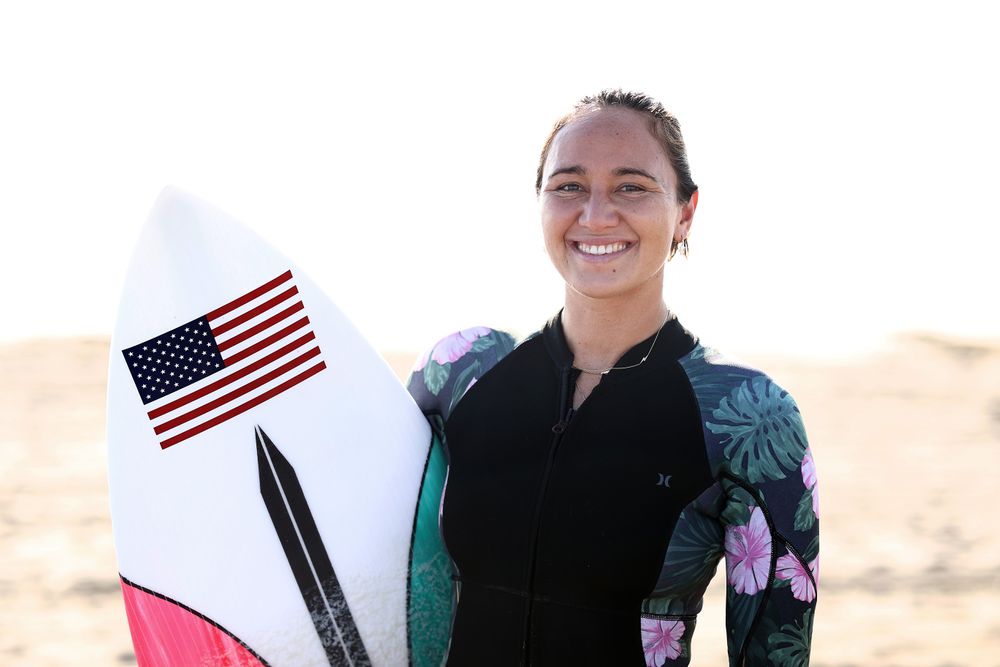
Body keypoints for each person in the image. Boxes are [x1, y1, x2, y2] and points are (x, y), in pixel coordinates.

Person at [405, 90, 819, 666]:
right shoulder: (463, 373)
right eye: (569, 185)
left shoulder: (743, 414)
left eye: (631, 187)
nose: (595, 214)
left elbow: (773, 651)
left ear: (685, 211)